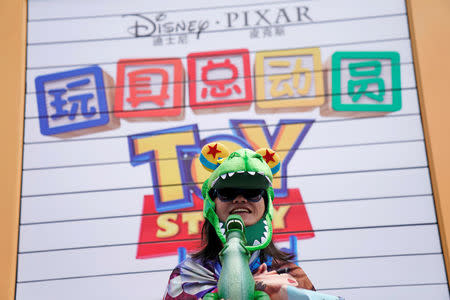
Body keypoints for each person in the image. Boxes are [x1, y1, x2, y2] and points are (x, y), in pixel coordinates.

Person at [164, 145, 315, 299]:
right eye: (227, 192)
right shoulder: (186, 275)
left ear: (266, 204)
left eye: (252, 192)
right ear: (212, 204)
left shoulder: (291, 275)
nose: (240, 199)